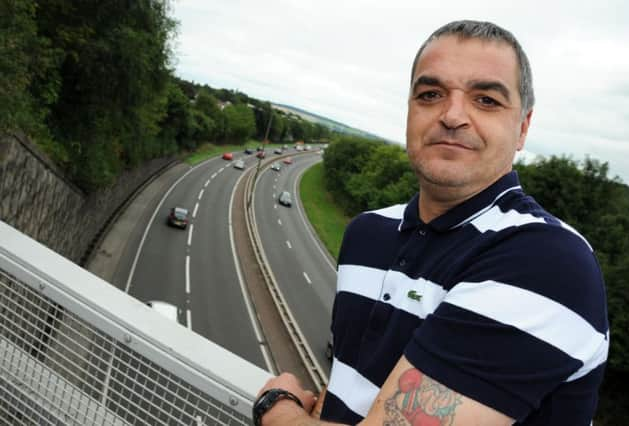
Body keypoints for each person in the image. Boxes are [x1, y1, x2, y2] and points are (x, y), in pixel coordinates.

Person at [253, 20, 609, 425]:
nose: (453, 115)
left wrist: (276, 407)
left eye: (486, 100)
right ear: (410, 111)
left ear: (523, 128)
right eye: (431, 94)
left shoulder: (548, 264)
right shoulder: (367, 233)